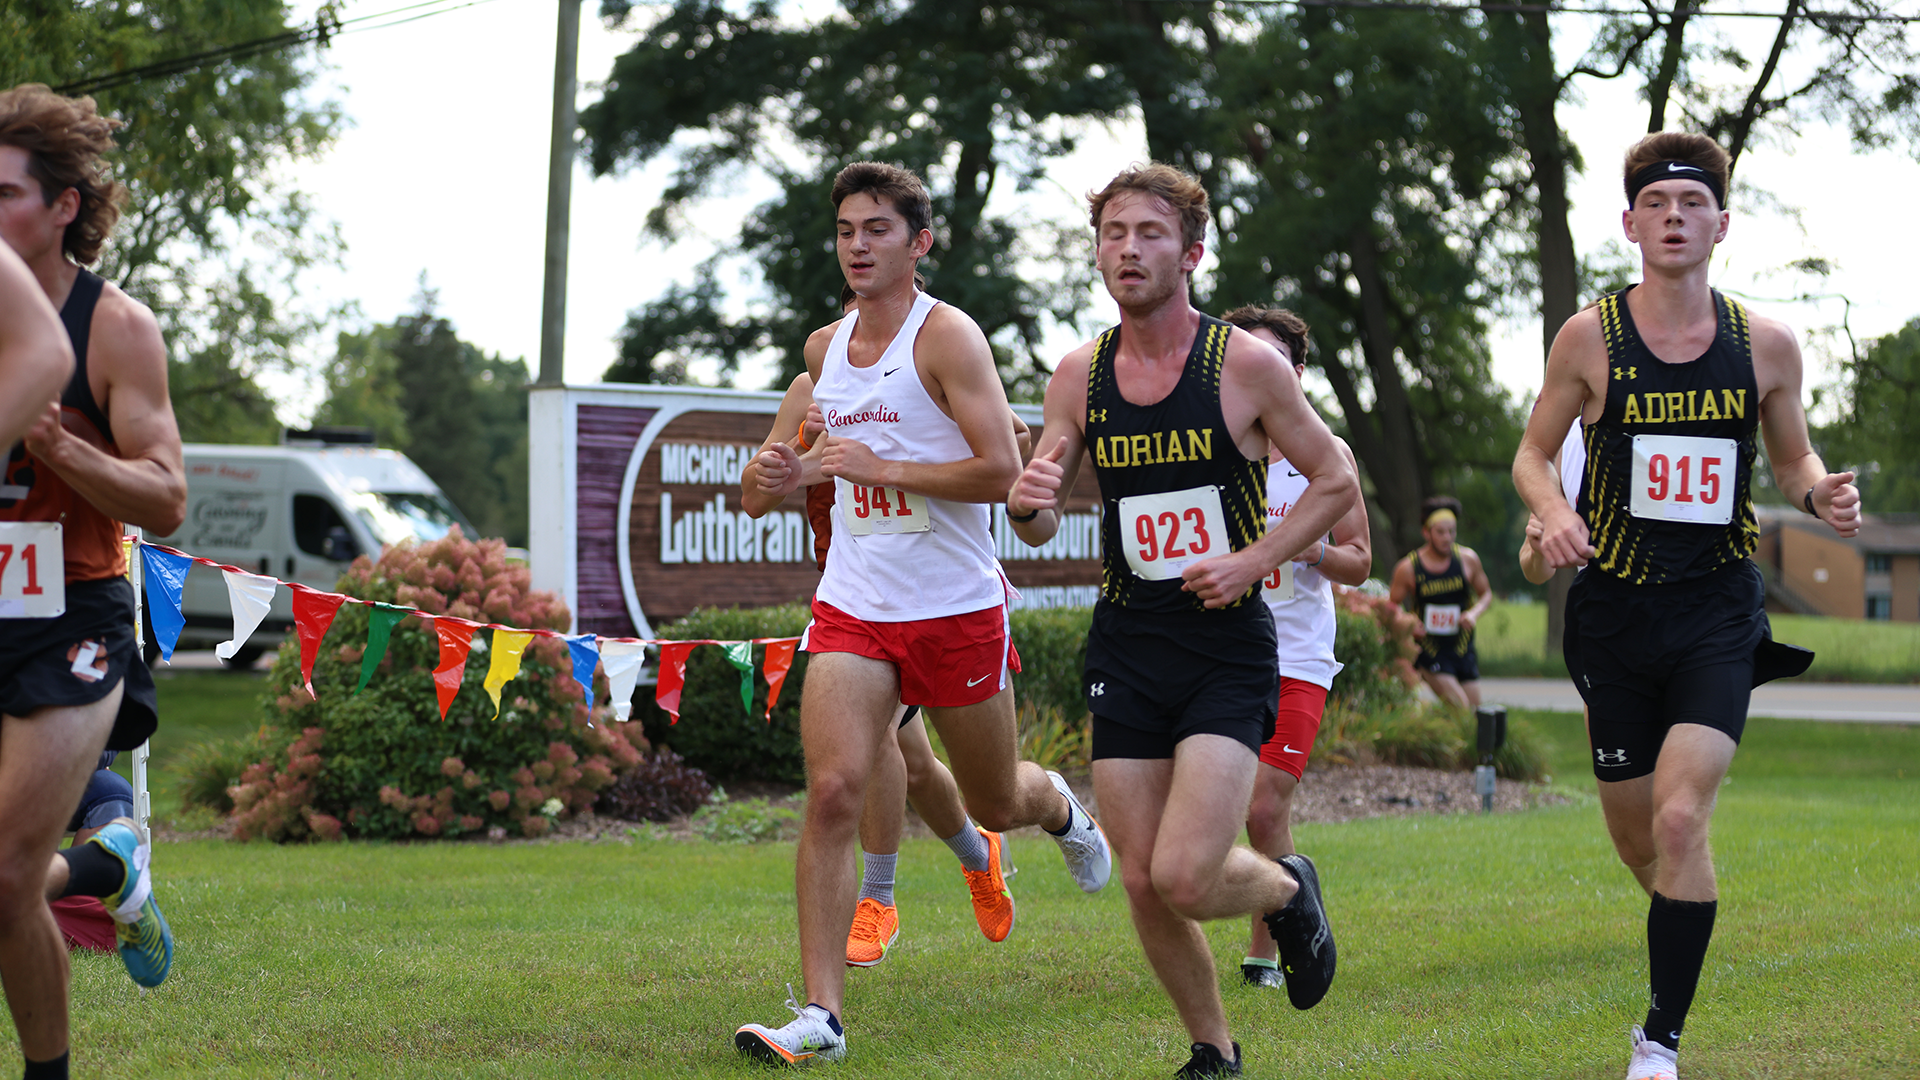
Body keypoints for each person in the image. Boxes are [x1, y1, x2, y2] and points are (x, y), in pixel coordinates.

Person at [733, 161, 1111, 1065]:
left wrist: (883, 468)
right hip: (855, 606)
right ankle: (821, 1017)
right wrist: (777, 474)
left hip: (954, 606)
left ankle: (1059, 807)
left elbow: (1001, 472)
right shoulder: (824, 354)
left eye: (877, 231)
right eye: (846, 231)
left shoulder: (949, 340)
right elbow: (757, 492)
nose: (857, 246)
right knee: (832, 791)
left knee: (993, 795)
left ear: (919, 242)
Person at [1513, 131, 1859, 1080]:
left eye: (1692, 204)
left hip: (1717, 611)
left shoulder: (1767, 345)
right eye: (1656, 205)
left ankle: (1659, 1042)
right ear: (1629, 224)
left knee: (1679, 822)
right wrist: (1551, 515)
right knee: (1639, 839)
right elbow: (1532, 454)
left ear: (1721, 223)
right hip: (1615, 616)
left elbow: (1791, 460)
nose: (1674, 218)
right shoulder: (1589, 338)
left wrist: (1820, 492)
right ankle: (1676, 912)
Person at [1007, 163, 1354, 1078]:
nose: (1128, 248)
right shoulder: (1079, 375)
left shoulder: (1244, 365)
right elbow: (1041, 513)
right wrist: (1028, 499)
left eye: (1149, 233)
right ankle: (1214, 1050)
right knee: (1138, 875)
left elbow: (1335, 481)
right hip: (1127, 641)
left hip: (1225, 650)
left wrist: (1254, 560)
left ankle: (1285, 887)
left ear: (1192, 252)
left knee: (1188, 874)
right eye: (1114, 232)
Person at [0, 83, 185, 1080]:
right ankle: (107, 860)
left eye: (5, 193)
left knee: (5, 876)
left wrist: (61, 450)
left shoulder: (113, 328)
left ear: (64, 204)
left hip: (70, 613)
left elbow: (165, 499)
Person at [739, 371, 1021, 969]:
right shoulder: (811, 385)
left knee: (916, 762)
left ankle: (905, 882)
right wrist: (797, 449)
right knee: (906, 761)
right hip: (854, 595)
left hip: (934, 597)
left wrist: (902, 456)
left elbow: (1013, 442)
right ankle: (957, 866)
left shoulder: (933, 360)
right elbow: (756, 494)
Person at [1217, 305, 1372, 993]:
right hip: (1223, 652)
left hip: (1299, 654)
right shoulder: (1214, 454)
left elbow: (1361, 560)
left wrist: (1314, 550)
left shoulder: (1326, 456)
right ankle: (1283, 904)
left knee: (1264, 806)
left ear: (1297, 372)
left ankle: (1268, 948)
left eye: (1271, 355)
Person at [1389, 496, 1492, 708]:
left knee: (1476, 715)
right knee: (1460, 709)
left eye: (1452, 531)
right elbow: (1392, 607)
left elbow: (1486, 594)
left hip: (1462, 647)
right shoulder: (1408, 568)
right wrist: (1409, 626)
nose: (1447, 538)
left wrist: (1473, 614)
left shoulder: (1468, 560)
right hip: (1430, 650)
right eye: (1441, 532)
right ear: (1426, 532)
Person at [0, 239, 73, 447]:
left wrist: (58, 448)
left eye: (8, 203)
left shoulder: (120, 321)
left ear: (65, 208)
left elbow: (49, 351)